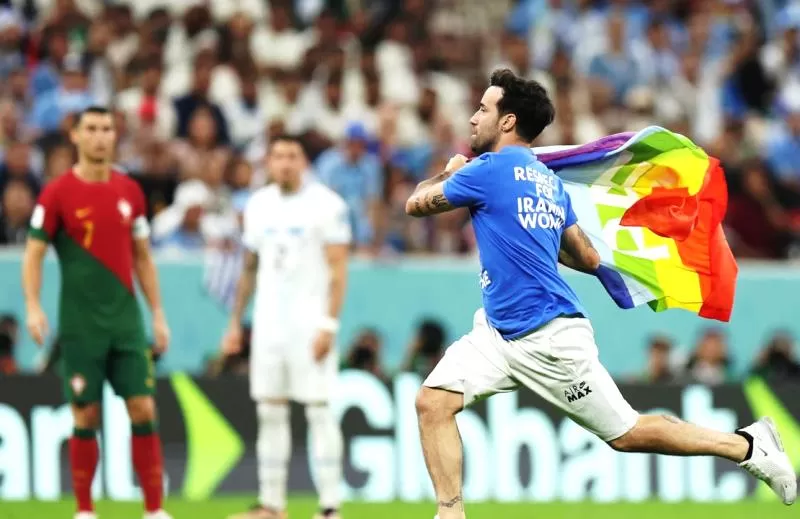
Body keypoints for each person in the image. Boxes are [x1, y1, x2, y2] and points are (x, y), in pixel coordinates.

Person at [404, 69, 797, 519]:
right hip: (498, 332)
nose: (474, 118)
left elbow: (415, 205)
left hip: (547, 339)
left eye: (482, 109)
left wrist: (450, 170)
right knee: (433, 401)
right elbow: (588, 257)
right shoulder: (547, 182)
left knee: (626, 433)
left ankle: (746, 445)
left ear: (508, 121)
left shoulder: (486, 171)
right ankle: (450, 513)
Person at [22, 106, 172, 519]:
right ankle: (85, 510)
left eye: (107, 128)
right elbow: (33, 254)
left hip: (126, 322)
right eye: (91, 128)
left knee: (143, 407)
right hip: (80, 325)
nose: (100, 136)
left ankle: (154, 510)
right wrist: (33, 306)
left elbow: (143, 257)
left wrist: (158, 313)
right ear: (75, 136)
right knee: (85, 414)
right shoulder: (56, 194)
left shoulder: (130, 192)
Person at [221, 135, 351, 519]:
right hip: (269, 326)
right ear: (269, 162)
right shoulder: (258, 205)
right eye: (277, 156)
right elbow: (249, 267)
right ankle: (272, 505)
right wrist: (235, 322)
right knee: (270, 411)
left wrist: (329, 324)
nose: (284, 163)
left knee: (319, 410)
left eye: (292, 156)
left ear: (303, 162)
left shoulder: (326, 205)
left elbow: (338, 270)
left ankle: (330, 507)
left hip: (310, 324)